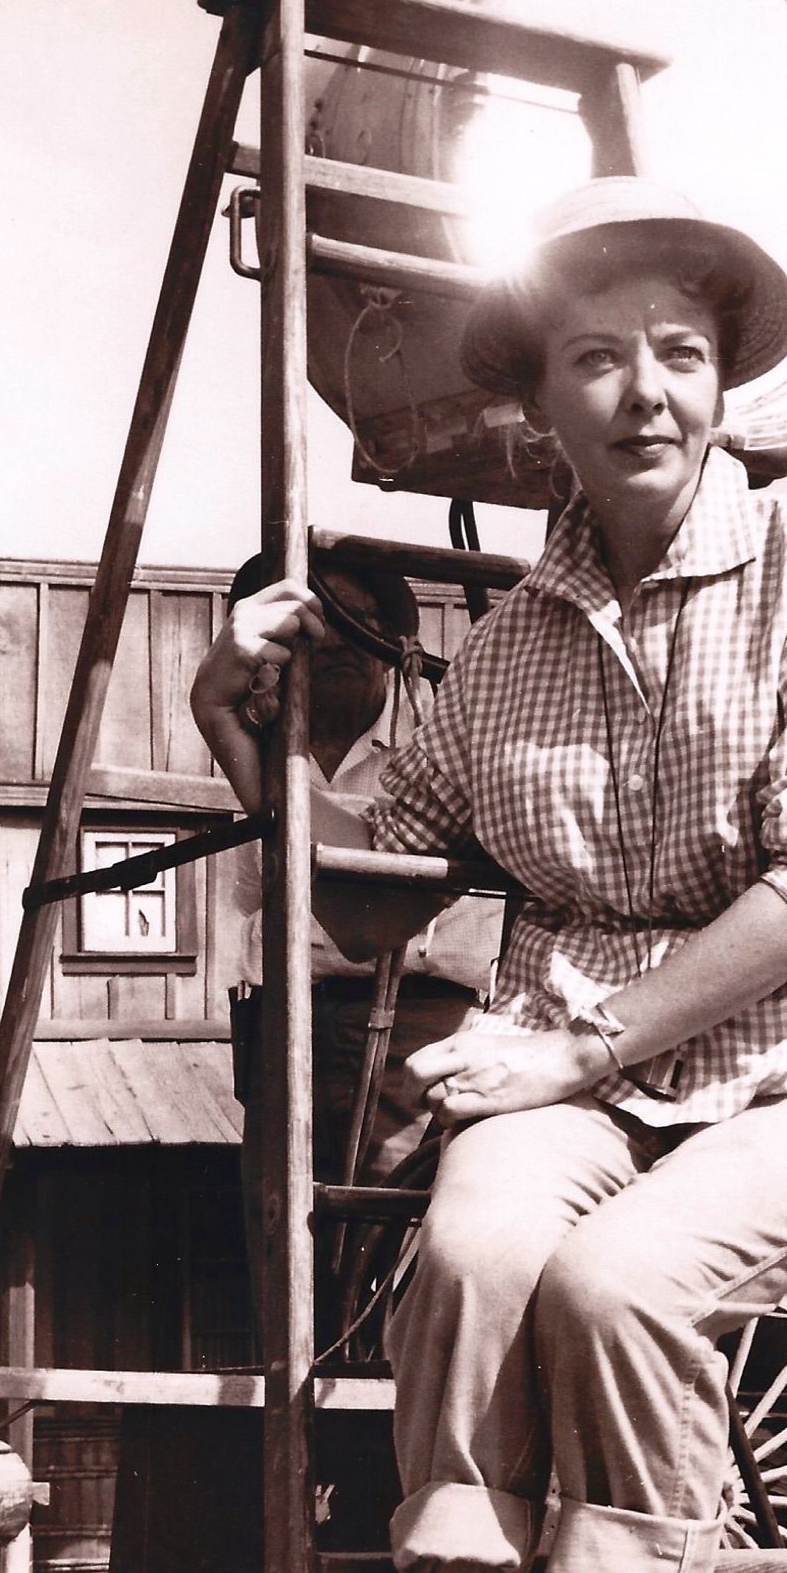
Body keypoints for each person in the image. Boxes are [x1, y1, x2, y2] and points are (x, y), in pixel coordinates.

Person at [191, 175, 787, 1573]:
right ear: (540, 404)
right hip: (574, 1079)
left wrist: (577, 1048)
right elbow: (365, 893)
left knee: (615, 1287)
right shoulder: (515, 645)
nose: (640, 395)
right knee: (460, 1269)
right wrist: (239, 730)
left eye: (675, 356)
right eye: (594, 360)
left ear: (725, 385)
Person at [190, 549, 502, 1336]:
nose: (322, 644)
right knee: (283, 1244)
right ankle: (305, 1442)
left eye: (346, 626)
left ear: (391, 648)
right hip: (282, 1022)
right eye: (303, 628)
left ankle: (384, 1431)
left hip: (416, 1022)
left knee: (389, 1248)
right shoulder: (255, 751)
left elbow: (372, 914)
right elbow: (250, 905)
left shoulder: (431, 755)